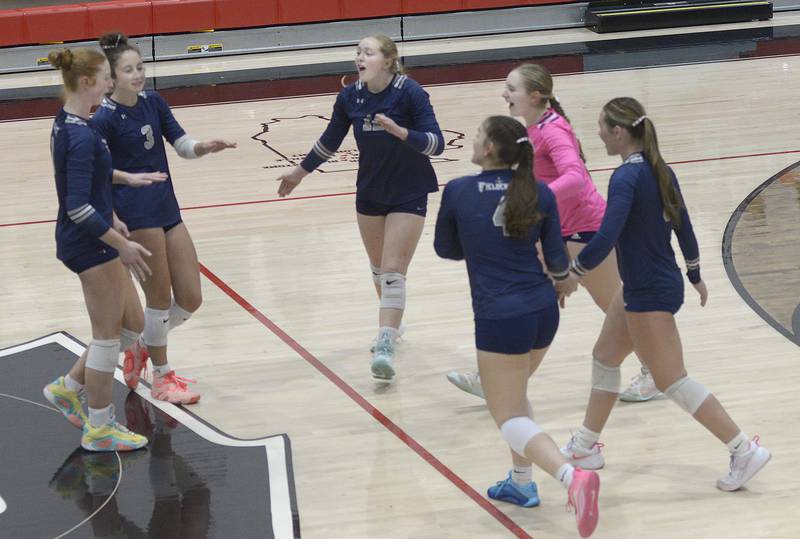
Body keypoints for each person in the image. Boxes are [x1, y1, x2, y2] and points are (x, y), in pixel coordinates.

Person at [561, 97, 770, 492]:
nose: (600, 134)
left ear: (620, 132)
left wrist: (574, 273)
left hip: (648, 289)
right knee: (605, 357)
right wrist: (694, 273)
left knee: (671, 379)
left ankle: (743, 449)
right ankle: (585, 446)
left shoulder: (625, 177)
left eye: (603, 127)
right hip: (650, 282)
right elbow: (684, 222)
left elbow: (607, 235)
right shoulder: (659, 169)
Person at [447, 63, 659, 402]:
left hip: (586, 230)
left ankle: (658, 371)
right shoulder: (532, 128)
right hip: (556, 230)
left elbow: (575, 178)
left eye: (511, 89)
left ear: (534, 96)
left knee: (618, 308)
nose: (505, 94)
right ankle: (497, 381)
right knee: (533, 303)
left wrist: (529, 202)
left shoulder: (552, 130)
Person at [434, 115, 599, 538]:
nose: (471, 140)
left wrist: (481, 241)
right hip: (544, 310)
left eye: (476, 134)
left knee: (506, 413)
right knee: (517, 397)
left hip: (499, 316)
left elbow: (446, 249)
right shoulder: (539, 191)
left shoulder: (458, 191)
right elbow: (558, 261)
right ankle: (521, 484)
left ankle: (571, 478)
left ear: (489, 149)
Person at [276, 34, 444, 381]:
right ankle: (392, 322)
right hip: (369, 191)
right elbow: (329, 141)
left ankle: (385, 341)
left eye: (367, 52)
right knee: (379, 268)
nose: (359, 57)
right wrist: (299, 173)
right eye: (357, 52)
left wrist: (401, 132)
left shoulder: (410, 92)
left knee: (394, 269)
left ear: (387, 60)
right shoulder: (349, 96)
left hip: (409, 190)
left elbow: (436, 143)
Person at [94, 32, 237, 404]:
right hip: (136, 214)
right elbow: (94, 173)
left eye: (140, 67)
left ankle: (142, 346)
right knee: (158, 299)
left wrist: (202, 147)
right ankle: (161, 377)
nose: (138, 75)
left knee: (190, 297)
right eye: (129, 70)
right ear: (111, 78)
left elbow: (181, 143)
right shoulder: (103, 120)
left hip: (167, 207)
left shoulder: (154, 102)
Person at [42, 46, 149, 452]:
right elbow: (77, 207)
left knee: (131, 325)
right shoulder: (80, 134)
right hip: (89, 243)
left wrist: (119, 188)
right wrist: (121, 242)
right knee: (107, 337)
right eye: (106, 77)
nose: (110, 83)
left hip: (96, 232)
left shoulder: (70, 121)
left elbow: (86, 184)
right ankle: (100, 427)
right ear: (87, 83)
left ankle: (69, 387)